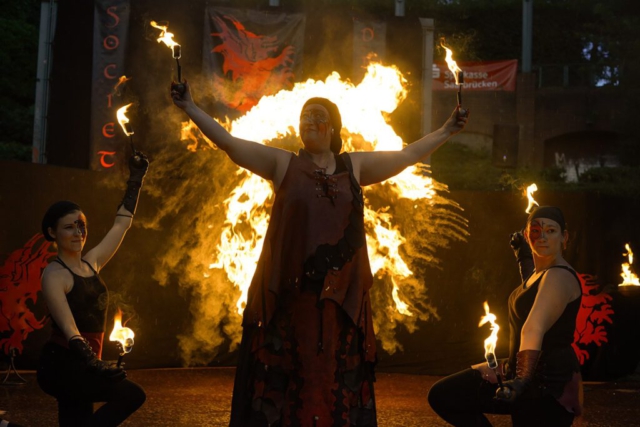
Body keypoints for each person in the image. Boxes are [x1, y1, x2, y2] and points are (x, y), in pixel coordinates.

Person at [172, 82, 468, 427]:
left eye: (318, 115)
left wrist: (447, 130)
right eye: (304, 116)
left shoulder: (353, 166)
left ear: (334, 127)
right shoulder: (283, 163)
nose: (309, 120)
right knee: (293, 381)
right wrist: (190, 108)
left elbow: (405, 157)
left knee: (333, 382)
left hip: (341, 302)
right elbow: (229, 143)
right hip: (293, 298)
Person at [428, 206, 583, 426]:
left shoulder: (558, 276)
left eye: (551, 231)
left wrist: (521, 381)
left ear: (564, 237)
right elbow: (532, 292)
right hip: (519, 371)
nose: (543, 237)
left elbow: (533, 327)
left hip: (546, 385)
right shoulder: (542, 274)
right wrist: (524, 258)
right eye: (536, 231)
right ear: (527, 235)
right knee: (445, 395)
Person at [36, 152, 149, 427]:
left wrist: (136, 179)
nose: (78, 233)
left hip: (82, 364)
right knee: (132, 395)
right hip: (61, 365)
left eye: (81, 226)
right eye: (69, 227)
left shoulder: (92, 263)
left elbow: (121, 224)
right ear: (53, 233)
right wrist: (94, 363)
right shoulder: (54, 274)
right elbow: (70, 329)